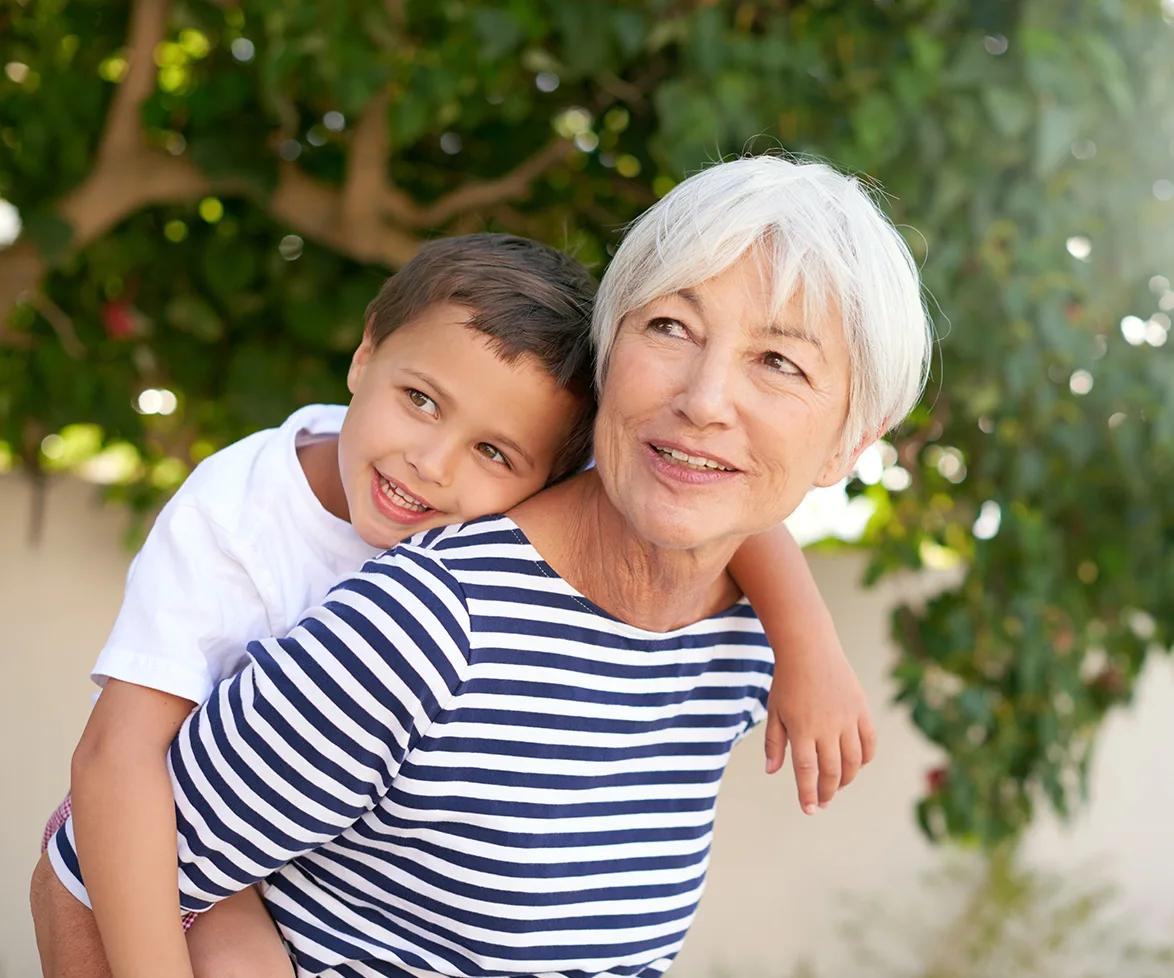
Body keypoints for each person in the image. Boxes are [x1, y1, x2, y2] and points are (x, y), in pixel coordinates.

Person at [30, 222, 878, 978]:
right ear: (366, 355)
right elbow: (114, 766)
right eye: (420, 401)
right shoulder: (245, 517)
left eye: (494, 453)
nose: (434, 465)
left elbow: (712, 496)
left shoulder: (620, 532)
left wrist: (810, 647)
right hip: (185, 832)